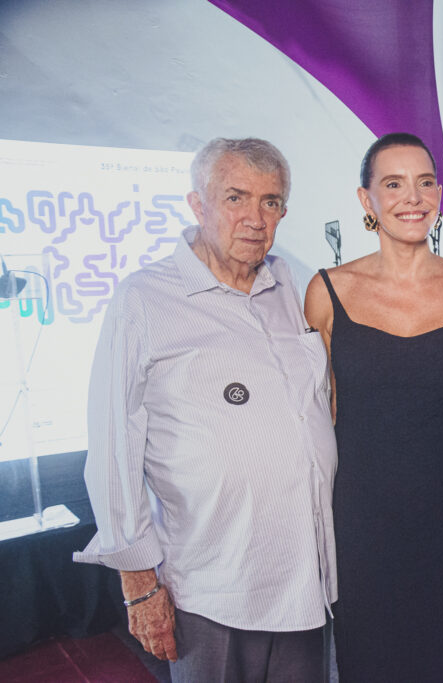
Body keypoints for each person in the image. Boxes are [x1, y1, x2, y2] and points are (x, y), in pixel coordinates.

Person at [74, 138, 337, 681]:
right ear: (197, 205)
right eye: (236, 197)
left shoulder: (289, 284)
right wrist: (139, 584)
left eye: (271, 202)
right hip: (212, 590)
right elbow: (112, 447)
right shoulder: (143, 300)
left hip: (304, 583)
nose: (255, 219)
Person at [304, 132, 443, 682]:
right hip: (358, 514)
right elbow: (318, 415)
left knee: (439, 658)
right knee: (366, 659)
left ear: (439, 195)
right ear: (366, 200)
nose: (411, 197)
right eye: (392, 184)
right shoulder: (326, 291)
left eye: (424, 183)